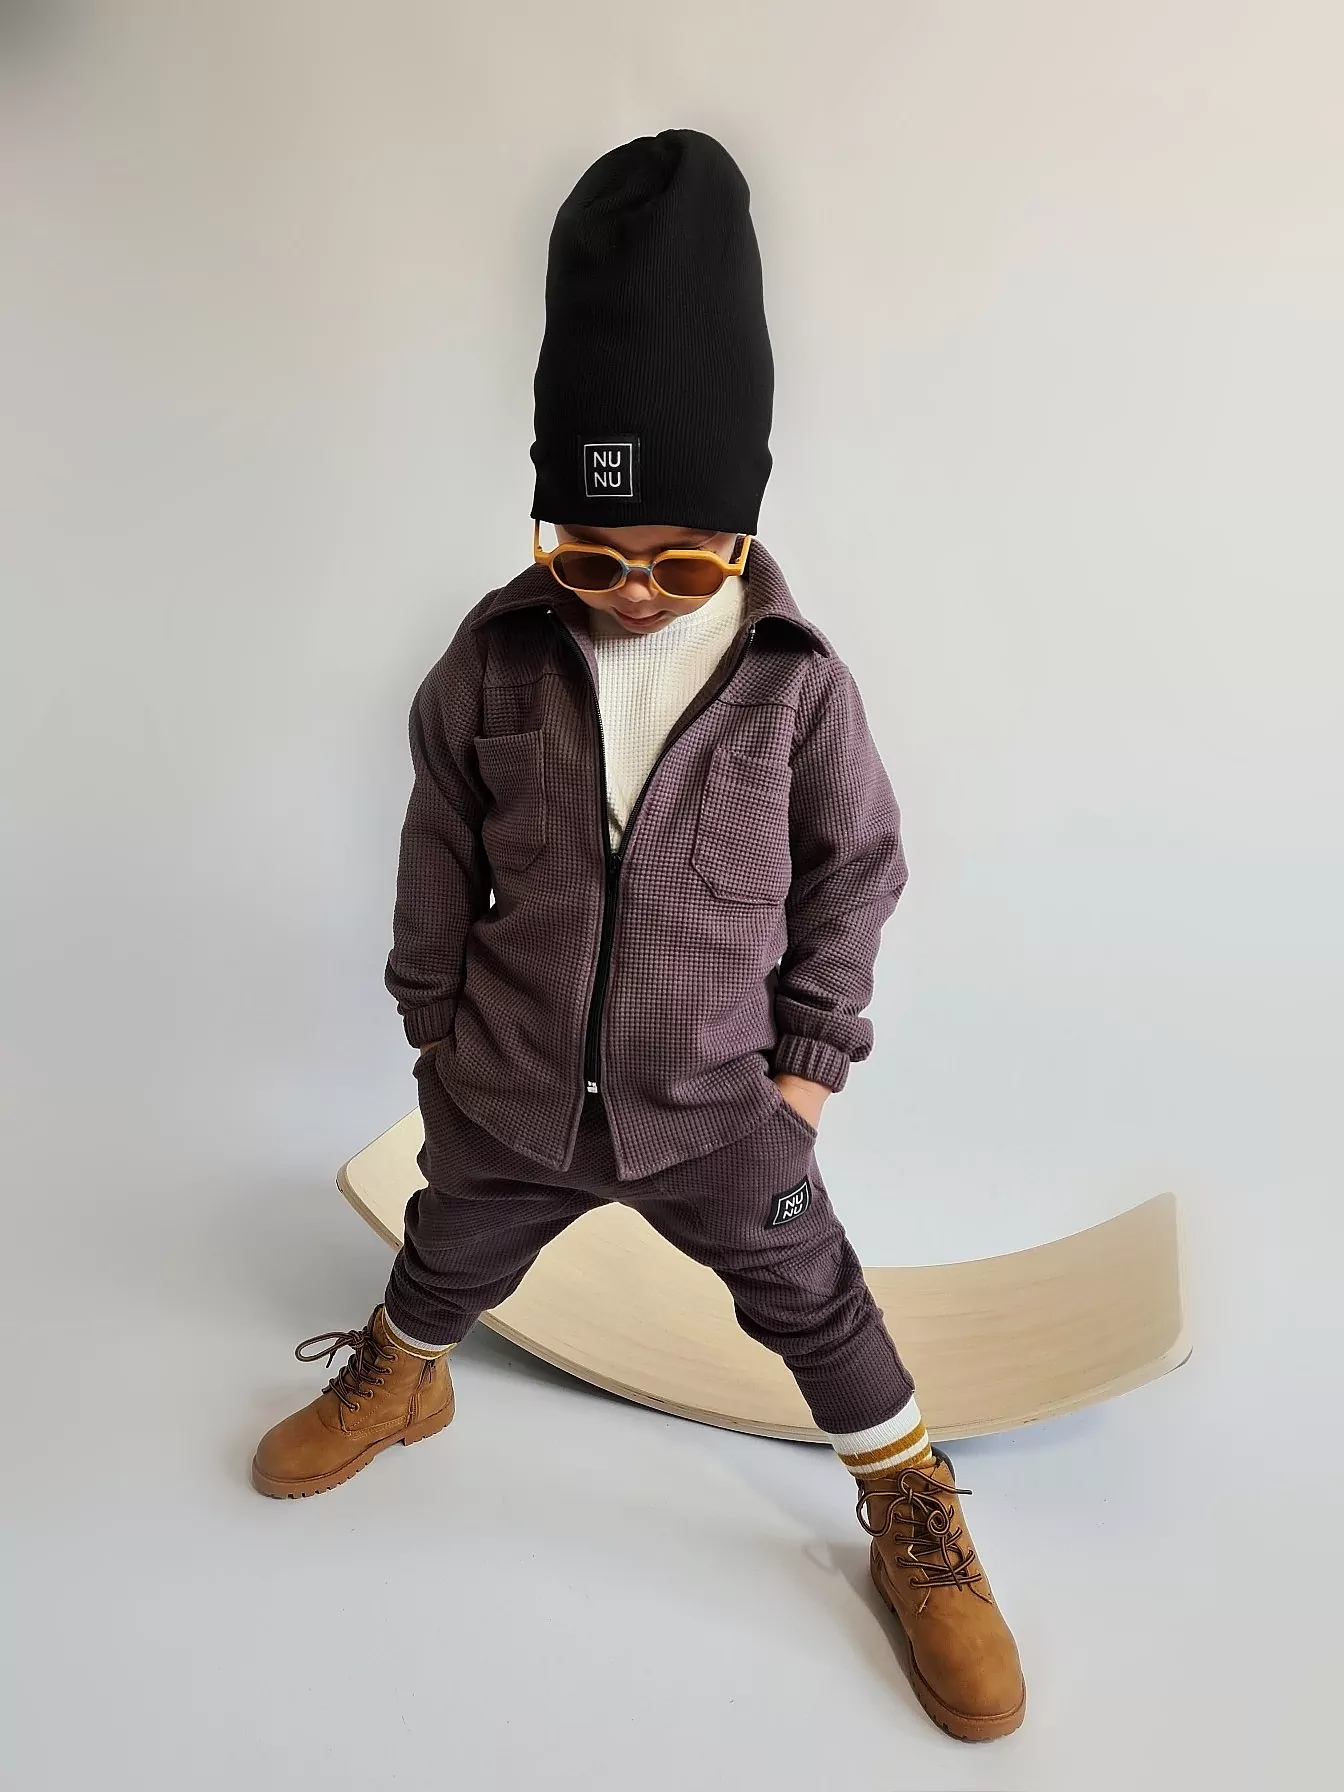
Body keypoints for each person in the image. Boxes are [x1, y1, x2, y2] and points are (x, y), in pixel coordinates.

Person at [250, 128, 1026, 1743]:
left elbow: (859, 870)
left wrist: (801, 1077)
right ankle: (402, 1375)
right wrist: (437, 1036)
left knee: (815, 1299)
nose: (633, 591)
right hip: (509, 1087)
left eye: (682, 558)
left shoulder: (795, 685)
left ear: (741, 523)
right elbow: (436, 852)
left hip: (721, 1107)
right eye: (589, 553)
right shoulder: (491, 662)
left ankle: (910, 1500)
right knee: (447, 1244)